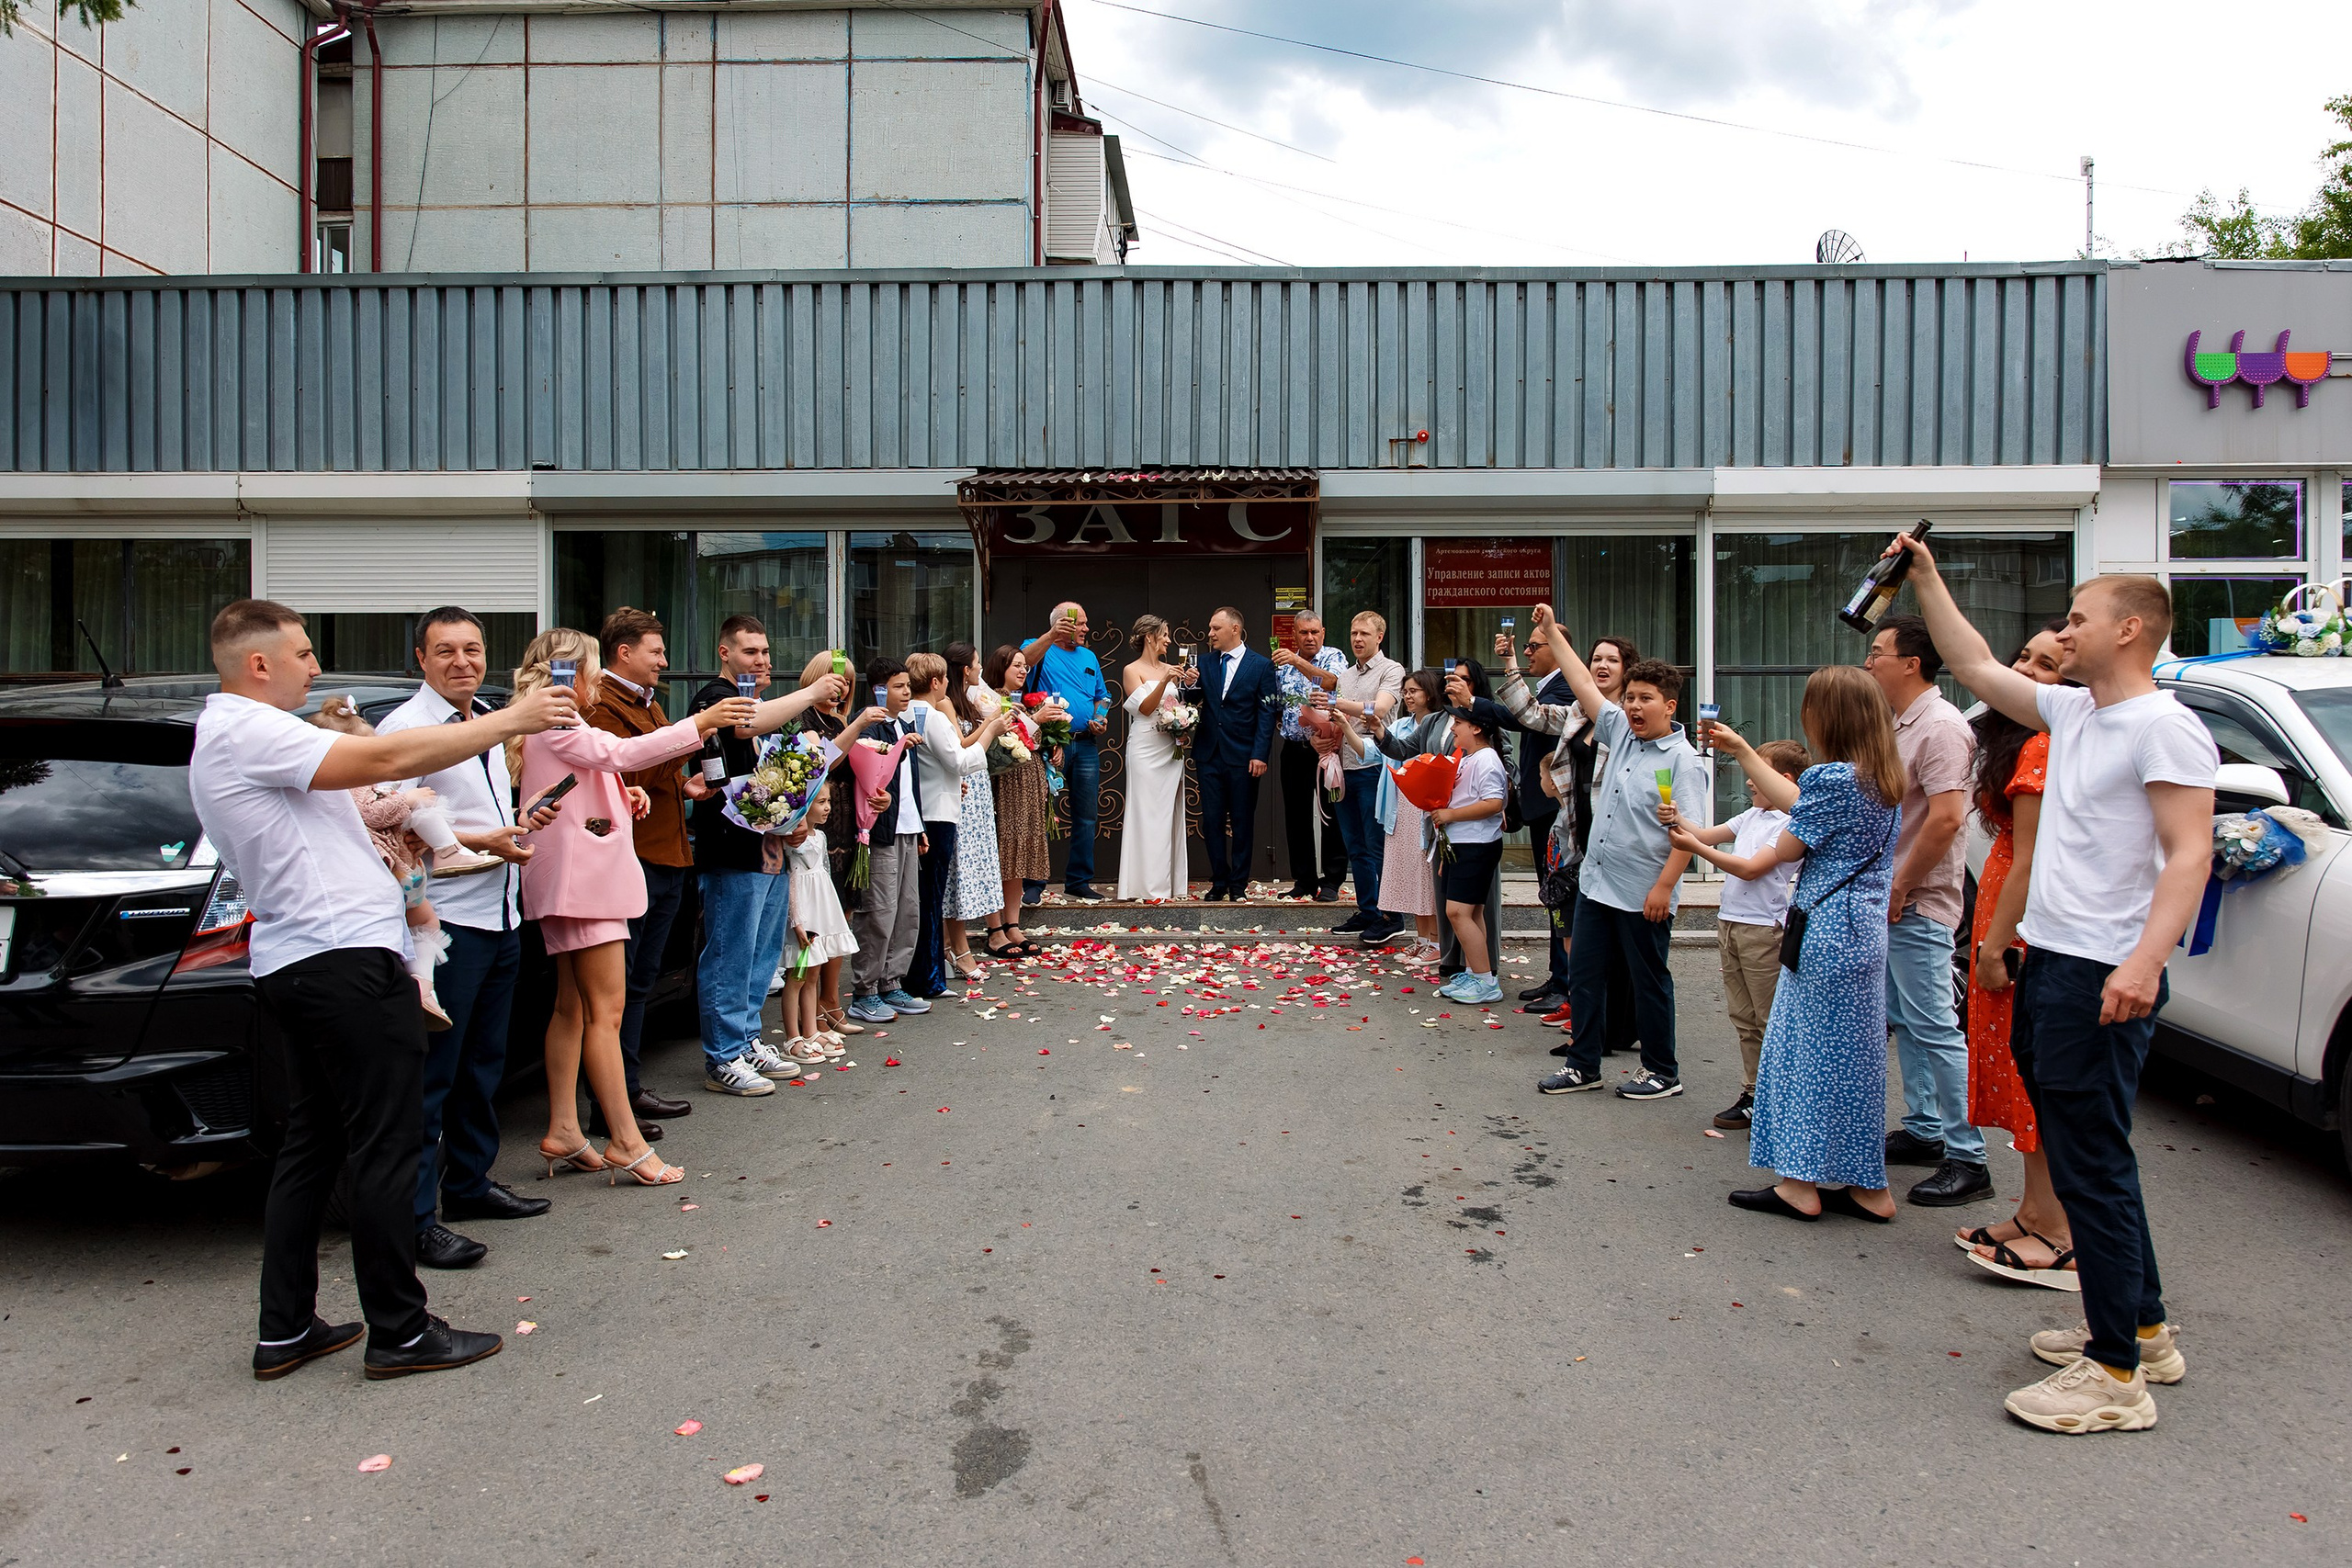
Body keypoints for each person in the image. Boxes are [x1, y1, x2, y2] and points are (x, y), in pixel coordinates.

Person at [193, 599, 571, 1382]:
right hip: (342, 961)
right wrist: (514, 719)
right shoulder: (251, 727)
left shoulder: (247, 735)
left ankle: (286, 1325)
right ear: (257, 663)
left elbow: (374, 817)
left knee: (316, 1145)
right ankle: (398, 1328)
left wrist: (473, 836)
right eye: (302, 652)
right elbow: (387, 765)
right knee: (386, 1144)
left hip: (303, 957)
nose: (315, 667)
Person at [1905, 539, 2216, 1435]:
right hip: (2052, 957)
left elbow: (2188, 854)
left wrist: (2142, 962)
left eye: (2078, 617)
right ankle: (2143, 1331)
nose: (2063, 628)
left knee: (2092, 1162)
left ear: (2128, 630)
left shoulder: (2163, 726)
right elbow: (1966, 659)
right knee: (2089, 1155)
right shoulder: (2075, 714)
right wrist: (1924, 578)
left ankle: (2115, 1374)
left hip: (2099, 971)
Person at [510, 628, 757, 1188]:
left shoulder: (547, 722)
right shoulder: (559, 718)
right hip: (585, 884)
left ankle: (566, 1129)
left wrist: (622, 792)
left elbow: (584, 776)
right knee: (606, 1012)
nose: (597, 679)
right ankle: (624, 1139)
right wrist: (702, 723)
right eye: (592, 667)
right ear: (569, 673)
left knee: (572, 1009)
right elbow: (619, 752)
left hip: (570, 880)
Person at [379, 607, 560, 1272]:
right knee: (432, 1075)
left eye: (474, 649)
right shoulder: (404, 730)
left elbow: (467, 815)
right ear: (421, 659)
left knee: (483, 1065)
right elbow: (387, 827)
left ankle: (470, 1183)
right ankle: (417, 1220)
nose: (463, 661)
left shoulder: (484, 720)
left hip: (500, 911)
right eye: (446, 650)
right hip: (446, 922)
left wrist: (515, 823)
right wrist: (479, 841)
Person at [1704, 667, 1906, 1225]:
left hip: (1823, 930)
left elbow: (1792, 842)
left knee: (1802, 1055)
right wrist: (1745, 750)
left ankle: (1799, 1184)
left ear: (1826, 717)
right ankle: (1867, 1186)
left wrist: (1745, 754)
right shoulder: (1883, 776)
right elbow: (1802, 801)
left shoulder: (1832, 781)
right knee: (1856, 1062)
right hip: (1865, 930)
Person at [1529, 604, 1705, 1101]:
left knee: (1649, 982)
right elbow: (1583, 684)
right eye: (1629, 698)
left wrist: (1666, 886)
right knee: (1585, 976)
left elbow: (1688, 835)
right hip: (1597, 884)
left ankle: (1661, 1070)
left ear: (1670, 705)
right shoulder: (1622, 734)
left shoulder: (1684, 763)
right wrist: (1550, 634)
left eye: (1645, 699)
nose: (1633, 706)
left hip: (1645, 890)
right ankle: (1584, 1064)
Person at [1961, 620, 2079, 1289]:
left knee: (2032, 1078)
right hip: (2005, 909)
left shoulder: (2043, 742)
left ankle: (2058, 1230)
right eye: (2025, 659)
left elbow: (2031, 858)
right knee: (2011, 1070)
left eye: (2049, 666)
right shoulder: (2017, 737)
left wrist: (1997, 944)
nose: (2031, 672)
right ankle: (2033, 1211)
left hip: (2020, 919)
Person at [687, 615, 847, 1096]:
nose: (761, 661)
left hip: (769, 850)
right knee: (730, 954)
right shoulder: (714, 698)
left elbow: (772, 779)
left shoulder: (761, 705)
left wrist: (794, 815)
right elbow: (745, 724)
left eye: (765, 653)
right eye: (750, 652)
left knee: (760, 956)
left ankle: (747, 1040)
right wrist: (813, 693)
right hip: (730, 851)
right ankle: (722, 1057)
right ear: (725, 653)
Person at [1867, 614, 1991, 1208]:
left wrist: (1901, 886)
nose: (1870, 662)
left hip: (1917, 901)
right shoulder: (1900, 722)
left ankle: (1969, 1155)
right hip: (1895, 899)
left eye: (1879, 652)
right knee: (1910, 1020)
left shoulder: (1941, 726)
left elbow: (1945, 818)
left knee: (1937, 1026)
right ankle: (1925, 1128)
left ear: (1911, 662)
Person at [309, 696, 502, 1030]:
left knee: (425, 923)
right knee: (424, 921)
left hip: (404, 873)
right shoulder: (350, 788)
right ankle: (423, 983)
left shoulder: (337, 790)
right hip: (397, 873)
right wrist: (408, 798)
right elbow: (374, 812)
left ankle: (424, 986)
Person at [582, 607, 699, 1142]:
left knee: (641, 985)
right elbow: (625, 770)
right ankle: (609, 1105)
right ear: (623, 653)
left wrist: (685, 782)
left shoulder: (650, 705)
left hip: (668, 855)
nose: (665, 661)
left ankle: (627, 1089)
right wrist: (682, 741)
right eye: (655, 651)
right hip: (633, 860)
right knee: (620, 988)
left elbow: (657, 771)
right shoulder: (601, 705)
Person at [1498, 633, 1645, 1045]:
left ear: (1626, 670)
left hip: (1618, 839)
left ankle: (1617, 1027)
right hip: (1577, 836)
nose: (1601, 666)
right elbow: (1530, 713)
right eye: (1595, 658)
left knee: (1616, 944)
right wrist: (1511, 661)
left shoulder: (1629, 719)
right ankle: (1591, 1028)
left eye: (1610, 661)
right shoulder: (1579, 713)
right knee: (1583, 941)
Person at [1663, 739, 1808, 1130]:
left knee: (1768, 1020)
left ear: (1783, 779)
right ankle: (1754, 1092)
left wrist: (1694, 847)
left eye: (1755, 775)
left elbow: (1749, 868)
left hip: (1765, 930)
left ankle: (1781, 1098)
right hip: (1730, 923)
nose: (1748, 783)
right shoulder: (1752, 817)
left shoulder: (1790, 824)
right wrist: (1677, 817)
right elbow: (1707, 835)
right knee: (1743, 1017)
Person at [794, 652, 885, 1040]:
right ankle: (815, 1006)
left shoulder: (840, 720)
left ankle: (831, 1000)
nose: (842, 688)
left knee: (842, 915)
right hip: (821, 828)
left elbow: (860, 773)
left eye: (848, 681)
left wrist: (880, 798)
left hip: (849, 825)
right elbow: (823, 764)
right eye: (836, 679)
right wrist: (860, 723)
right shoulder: (804, 721)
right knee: (820, 919)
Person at [906, 651, 1001, 996]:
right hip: (939, 814)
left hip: (927, 806)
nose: (947, 684)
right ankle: (928, 977)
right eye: (944, 679)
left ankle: (928, 969)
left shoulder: (908, 713)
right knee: (931, 897)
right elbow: (959, 760)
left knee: (926, 896)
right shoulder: (931, 717)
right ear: (935, 682)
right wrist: (991, 730)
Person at [1496, 624, 1577, 1011]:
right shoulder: (1548, 684)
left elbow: (1525, 717)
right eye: (1524, 646)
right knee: (1551, 894)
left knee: (1560, 894)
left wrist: (1474, 704)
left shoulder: (1567, 687)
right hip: (1539, 803)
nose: (1527, 651)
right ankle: (1558, 977)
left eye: (1533, 646)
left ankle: (1567, 983)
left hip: (1554, 807)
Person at [847, 657, 932, 1025]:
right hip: (880, 831)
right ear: (879, 690)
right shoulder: (871, 727)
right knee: (879, 912)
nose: (906, 691)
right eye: (898, 686)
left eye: (907, 685)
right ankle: (864, 991)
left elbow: (910, 787)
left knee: (907, 909)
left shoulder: (904, 725)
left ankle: (891, 982)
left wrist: (922, 826)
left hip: (909, 828)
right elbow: (870, 777)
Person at [1322, 612, 1406, 942]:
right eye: (1354, 633)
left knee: (1376, 844)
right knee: (1354, 845)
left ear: (1379, 637)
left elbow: (1379, 710)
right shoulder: (1344, 675)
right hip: (1345, 766)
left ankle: (1391, 914)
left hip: (1376, 766)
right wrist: (1322, 735)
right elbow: (1340, 717)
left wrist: (1335, 701)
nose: (1357, 639)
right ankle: (1369, 910)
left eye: (1364, 634)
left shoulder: (1392, 670)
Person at [1021, 602, 1113, 903]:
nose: (1086, 629)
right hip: (1049, 741)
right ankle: (1033, 883)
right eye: (1080, 624)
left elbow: (1102, 695)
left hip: (1085, 743)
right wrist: (1049, 636)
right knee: (1040, 812)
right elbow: (1023, 662)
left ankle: (1079, 880)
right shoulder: (1037, 646)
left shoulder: (1088, 656)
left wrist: (1099, 718)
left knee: (1086, 815)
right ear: (1063, 624)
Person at [1188, 606, 1279, 902]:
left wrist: (1260, 754)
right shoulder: (1204, 662)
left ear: (1235, 629)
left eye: (1216, 628)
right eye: (1211, 629)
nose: (1210, 634)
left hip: (1244, 755)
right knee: (1211, 820)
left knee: (1242, 821)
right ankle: (1219, 881)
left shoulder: (1261, 666)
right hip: (1209, 753)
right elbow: (1192, 699)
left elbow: (1267, 714)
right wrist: (1188, 684)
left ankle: (1238, 884)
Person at [1431, 698, 1515, 1004]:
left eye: (1458, 723)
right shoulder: (1466, 758)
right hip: (1460, 844)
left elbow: (1495, 803)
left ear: (1477, 727)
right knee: (1472, 911)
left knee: (1457, 912)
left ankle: (1484, 981)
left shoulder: (1487, 758)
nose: (1452, 728)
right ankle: (1478, 973)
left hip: (1477, 844)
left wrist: (1451, 815)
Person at [982, 645, 1062, 957]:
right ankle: (995, 927)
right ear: (999, 667)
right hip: (1006, 784)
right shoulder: (992, 700)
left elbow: (1034, 741)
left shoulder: (1024, 702)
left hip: (1029, 784)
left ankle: (1013, 924)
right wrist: (1037, 720)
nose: (1022, 671)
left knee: (1019, 854)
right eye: (1016, 665)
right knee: (1002, 852)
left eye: (1024, 667)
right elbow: (1007, 739)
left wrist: (1054, 745)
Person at [1268, 611, 1351, 900]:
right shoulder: (1282, 667)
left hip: (1329, 749)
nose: (1310, 638)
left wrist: (1299, 661)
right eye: (1303, 633)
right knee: (1296, 815)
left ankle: (1332, 881)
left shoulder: (1333, 656)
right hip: (1294, 749)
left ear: (1323, 632)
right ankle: (1304, 879)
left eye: (1314, 632)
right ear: (1295, 634)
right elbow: (1275, 704)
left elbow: (1332, 683)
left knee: (1330, 814)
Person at [1366, 670, 1445, 966]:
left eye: (1414, 691)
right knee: (1412, 874)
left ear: (1430, 693)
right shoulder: (1405, 726)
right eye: (1406, 691)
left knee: (1427, 874)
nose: (1408, 696)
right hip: (1404, 803)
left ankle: (1437, 941)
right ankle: (1422, 938)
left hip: (1427, 805)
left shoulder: (1439, 724)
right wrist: (1376, 729)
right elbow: (1393, 750)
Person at [940, 642, 1009, 978]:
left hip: (977, 785)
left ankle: (951, 947)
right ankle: (955, 947)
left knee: (972, 861)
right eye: (977, 663)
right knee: (960, 864)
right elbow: (960, 745)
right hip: (964, 785)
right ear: (965, 669)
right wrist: (991, 725)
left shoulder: (969, 699)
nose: (981, 668)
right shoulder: (947, 704)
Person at [778, 788, 858, 1064]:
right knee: (797, 976)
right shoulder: (792, 840)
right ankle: (792, 1036)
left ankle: (811, 1030)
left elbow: (822, 872)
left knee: (813, 975)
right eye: (821, 802)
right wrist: (796, 920)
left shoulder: (820, 836)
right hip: (804, 910)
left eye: (828, 802)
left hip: (821, 907)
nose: (828, 808)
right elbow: (791, 879)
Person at [1118, 614, 1194, 901]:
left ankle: (1170, 884)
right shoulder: (1131, 670)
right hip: (1145, 748)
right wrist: (1164, 680)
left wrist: (1182, 725)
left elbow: (1175, 707)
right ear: (1149, 637)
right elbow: (1147, 709)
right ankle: (1144, 885)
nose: (1168, 641)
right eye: (1164, 635)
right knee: (1146, 814)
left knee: (1167, 815)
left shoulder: (1172, 668)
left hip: (1169, 749)